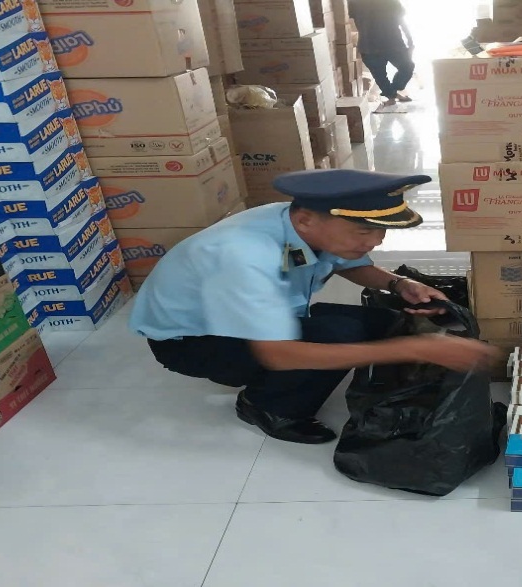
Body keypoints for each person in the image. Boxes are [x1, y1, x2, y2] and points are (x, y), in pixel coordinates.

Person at [128, 169, 499, 445]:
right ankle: (267, 406)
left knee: (380, 322)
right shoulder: (245, 255)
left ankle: (287, 380)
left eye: (381, 231)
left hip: (247, 315)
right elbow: (278, 354)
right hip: (192, 341)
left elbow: (348, 263)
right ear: (306, 220)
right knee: (341, 336)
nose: (376, 241)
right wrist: (414, 348)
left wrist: (399, 284)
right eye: (364, 232)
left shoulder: (303, 222)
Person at [351, 0, 415, 107]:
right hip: (370, 45)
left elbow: (401, 20)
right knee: (380, 76)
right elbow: (350, 18)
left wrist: (410, 40)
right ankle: (392, 96)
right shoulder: (356, 2)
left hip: (392, 43)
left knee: (407, 66)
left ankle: (393, 91)